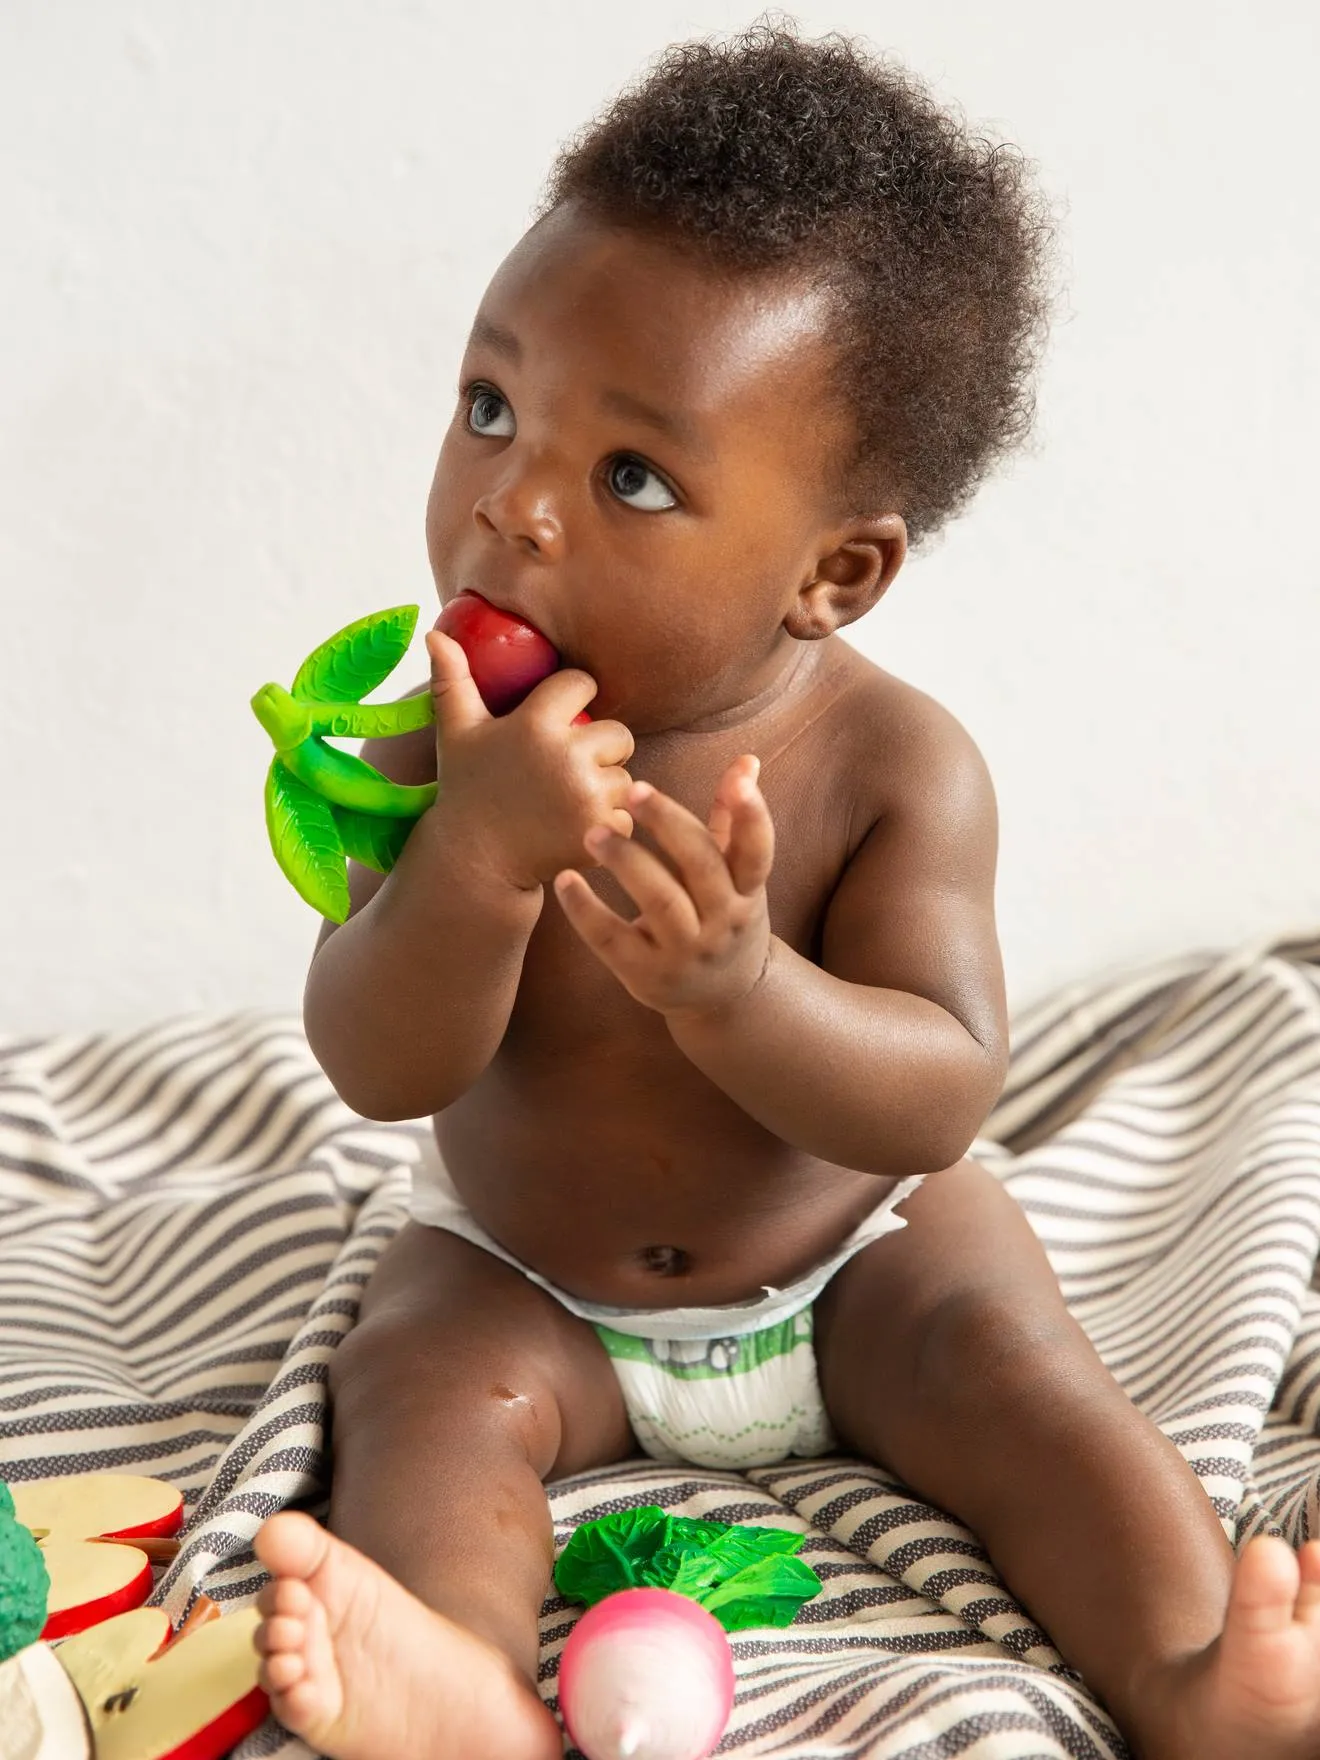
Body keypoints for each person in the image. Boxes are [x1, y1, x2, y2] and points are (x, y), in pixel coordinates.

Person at [246, 21, 1320, 1760]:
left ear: (837, 572)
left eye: (633, 477)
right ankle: (455, 1672)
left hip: (856, 1261)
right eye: (491, 405)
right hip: (540, 1280)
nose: (512, 509)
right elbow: (379, 1067)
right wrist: (474, 860)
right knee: (421, 1379)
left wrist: (743, 990)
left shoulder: (897, 769)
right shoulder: (447, 741)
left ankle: (1202, 1673)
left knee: (1028, 1377)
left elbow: (943, 1089)